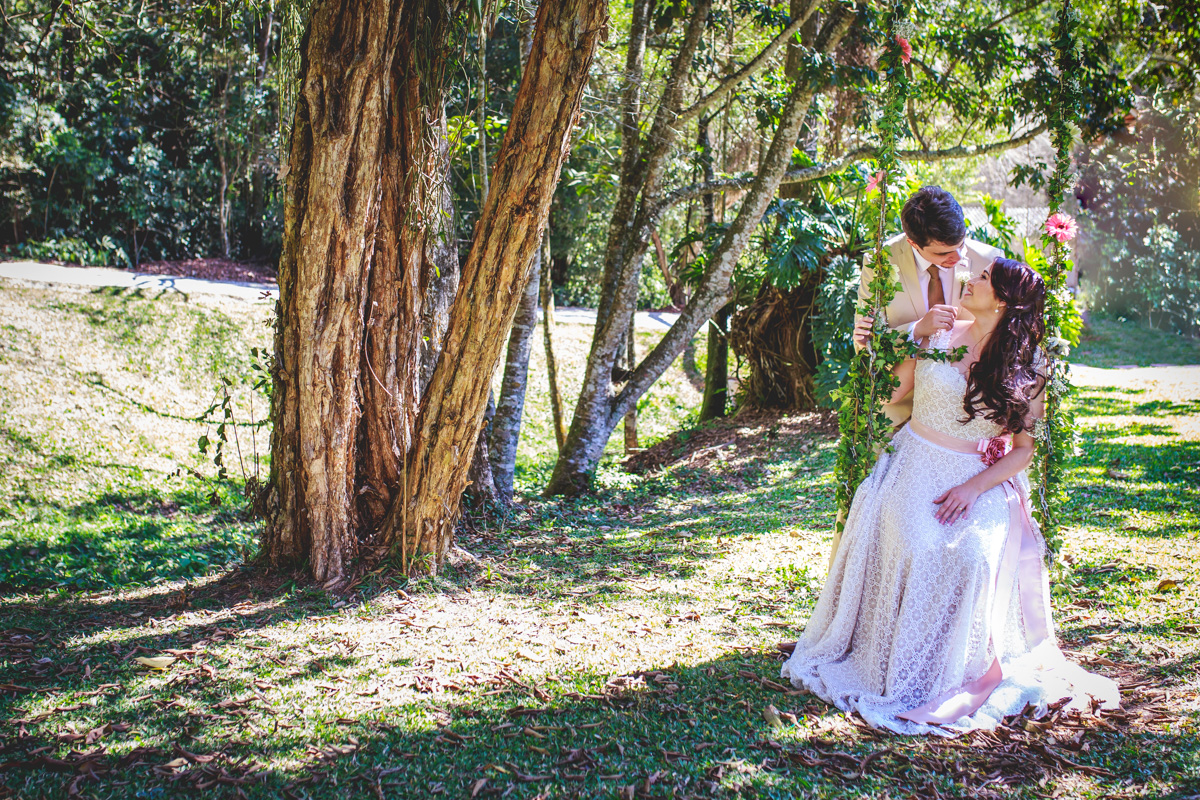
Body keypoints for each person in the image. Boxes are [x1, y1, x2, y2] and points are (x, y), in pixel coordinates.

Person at [781, 258, 1120, 736]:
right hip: (914, 461)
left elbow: (1022, 450)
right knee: (920, 542)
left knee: (975, 558)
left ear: (1001, 300)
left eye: (982, 280)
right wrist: (905, 342)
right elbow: (892, 391)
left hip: (976, 476)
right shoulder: (941, 332)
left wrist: (973, 487)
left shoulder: (1028, 366)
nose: (970, 281)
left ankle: (953, 670)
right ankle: (891, 663)